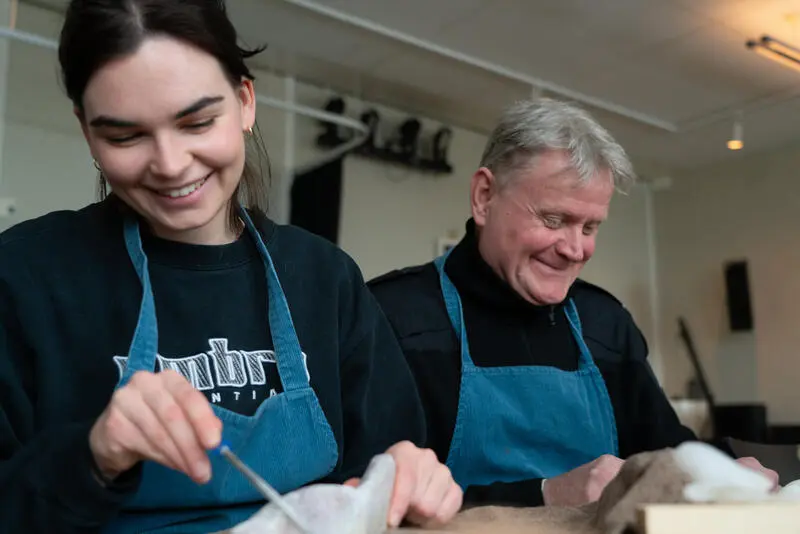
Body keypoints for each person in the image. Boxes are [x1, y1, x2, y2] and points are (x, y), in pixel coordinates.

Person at [0, 1, 463, 533]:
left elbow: (391, 470)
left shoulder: (325, 280)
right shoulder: (23, 278)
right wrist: (94, 458)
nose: (171, 164)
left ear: (245, 101)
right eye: (125, 136)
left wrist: (409, 480)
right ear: (86, 131)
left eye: (197, 121)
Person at [368, 98, 777, 508]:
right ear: (484, 196)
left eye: (590, 226)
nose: (575, 249)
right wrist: (545, 492)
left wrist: (727, 469)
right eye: (553, 220)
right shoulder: (393, 318)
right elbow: (365, 499)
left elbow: (666, 453)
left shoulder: (607, 326)